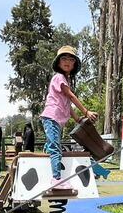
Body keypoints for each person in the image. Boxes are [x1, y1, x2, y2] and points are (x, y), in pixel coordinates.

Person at [40, 46, 98, 189]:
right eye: (64, 59)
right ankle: (56, 179)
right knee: (55, 147)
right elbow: (71, 96)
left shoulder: (66, 79)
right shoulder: (59, 77)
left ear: (74, 64)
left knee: (52, 145)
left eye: (71, 59)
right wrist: (86, 112)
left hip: (56, 120)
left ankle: (47, 164)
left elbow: (67, 104)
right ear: (58, 63)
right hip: (52, 117)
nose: (67, 61)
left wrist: (77, 119)